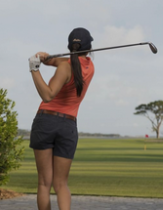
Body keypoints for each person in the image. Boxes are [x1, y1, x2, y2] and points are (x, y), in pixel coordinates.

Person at [28, 27, 94, 210]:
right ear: (89, 49)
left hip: (46, 122)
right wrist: (46, 57)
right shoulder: (90, 66)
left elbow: (48, 96)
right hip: (68, 126)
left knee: (44, 183)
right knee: (61, 184)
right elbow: (59, 61)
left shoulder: (65, 67)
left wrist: (34, 69)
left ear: (69, 46)